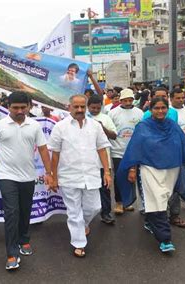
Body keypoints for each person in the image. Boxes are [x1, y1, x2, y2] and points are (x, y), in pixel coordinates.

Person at [116, 97, 185, 253]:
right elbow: (135, 148)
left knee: (163, 199)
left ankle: (150, 221)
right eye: (157, 108)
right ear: (150, 110)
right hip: (150, 169)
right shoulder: (143, 127)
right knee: (157, 200)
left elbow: (183, 143)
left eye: (163, 108)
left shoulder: (172, 125)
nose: (160, 111)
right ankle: (165, 239)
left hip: (171, 169)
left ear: (167, 108)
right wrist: (132, 169)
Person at [0, 91, 53, 270]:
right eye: (15, 107)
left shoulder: (34, 126)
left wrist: (49, 172)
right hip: (7, 176)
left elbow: (44, 150)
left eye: (23, 107)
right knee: (11, 213)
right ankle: (11, 254)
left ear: (29, 107)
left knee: (25, 210)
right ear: (9, 107)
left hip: (28, 177)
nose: (20, 111)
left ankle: (24, 240)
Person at [48, 95, 111, 257]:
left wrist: (107, 172)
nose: (80, 110)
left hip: (91, 175)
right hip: (68, 176)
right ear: (69, 107)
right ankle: (79, 243)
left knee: (95, 207)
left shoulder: (95, 126)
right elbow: (55, 154)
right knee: (74, 212)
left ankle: (84, 225)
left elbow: (102, 149)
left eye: (82, 107)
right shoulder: (60, 127)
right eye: (76, 107)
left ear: (87, 107)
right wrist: (53, 176)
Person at [108, 89, 144, 214]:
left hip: (135, 151)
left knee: (132, 177)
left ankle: (128, 201)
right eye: (125, 100)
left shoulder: (139, 113)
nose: (128, 102)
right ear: (121, 100)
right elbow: (110, 131)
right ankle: (119, 202)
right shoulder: (112, 113)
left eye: (130, 100)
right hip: (118, 151)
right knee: (119, 177)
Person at [87, 95, 117, 224]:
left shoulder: (106, 118)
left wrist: (101, 127)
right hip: (86, 161)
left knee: (104, 188)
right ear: (88, 107)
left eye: (98, 108)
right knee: (86, 189)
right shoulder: (83, 118)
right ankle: (86, 216)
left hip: (103, 162)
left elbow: (114, 136)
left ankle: (106, 213)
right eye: (92, 108)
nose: (95, 110)